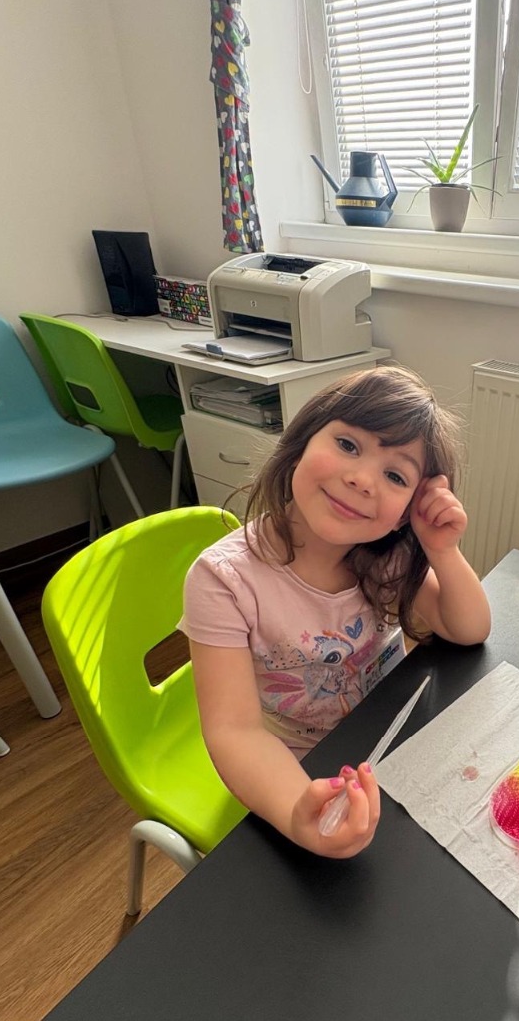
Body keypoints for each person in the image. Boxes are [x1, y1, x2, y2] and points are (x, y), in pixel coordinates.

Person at [179, 365, 491, 859]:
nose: (362, 480)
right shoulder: (223, 580)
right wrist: (297, 811)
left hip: (388, 732)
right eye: (348, 445)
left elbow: (470, 629)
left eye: (395, 476)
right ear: (301, 441)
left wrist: (442, 550)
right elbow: (235, 731)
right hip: (299, 765)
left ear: (408, 510)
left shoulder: (388, 557)